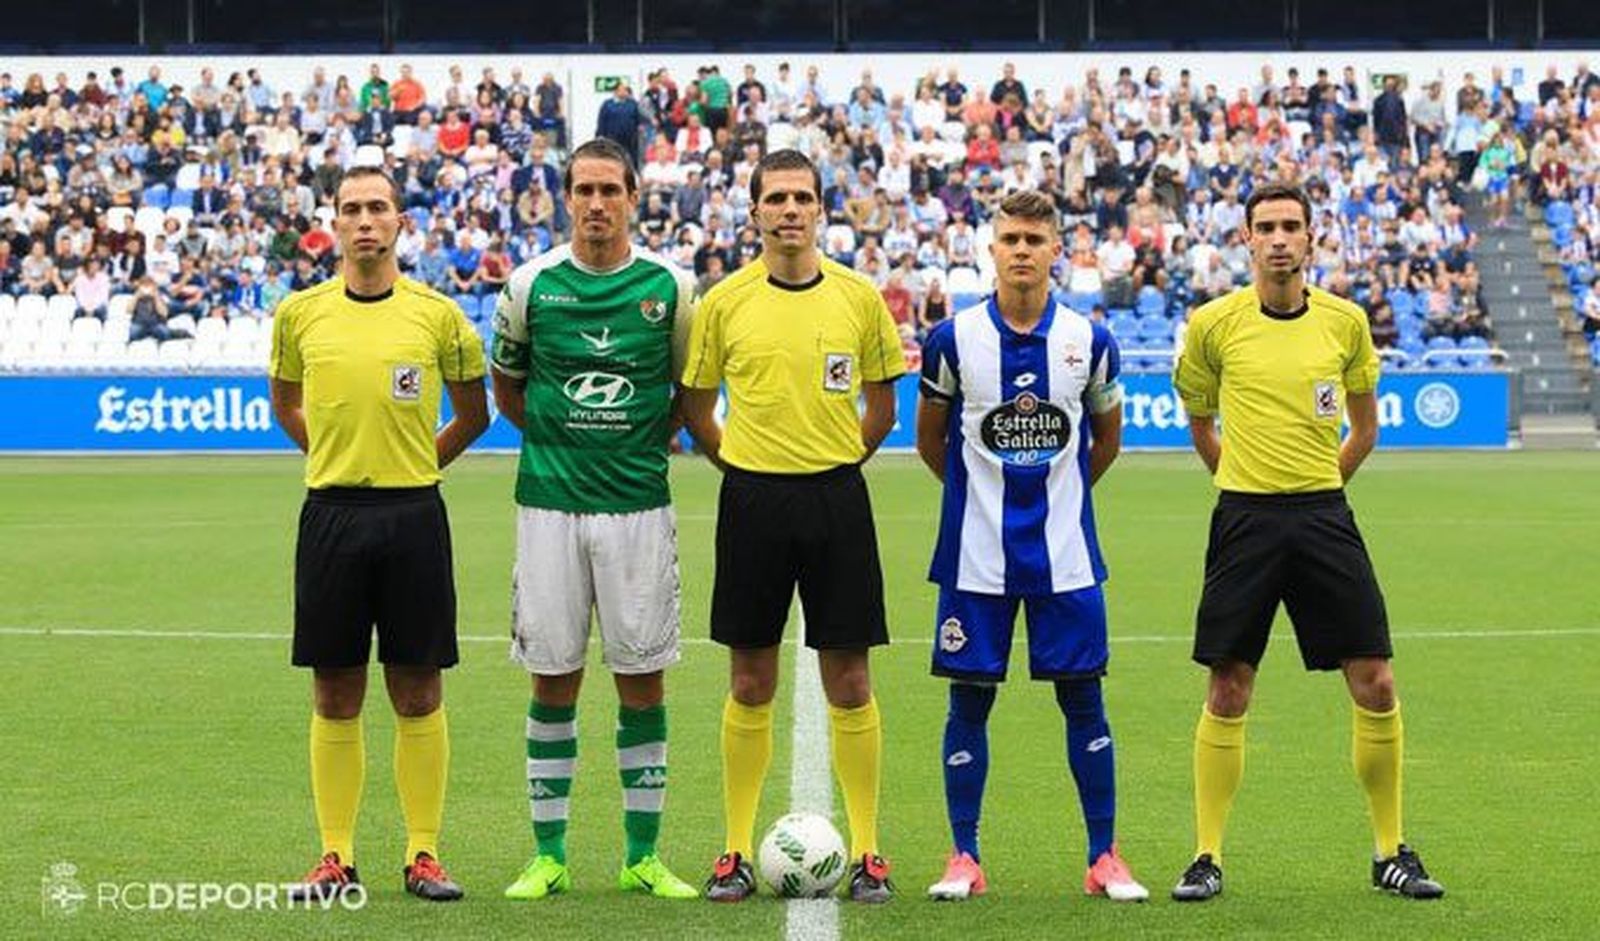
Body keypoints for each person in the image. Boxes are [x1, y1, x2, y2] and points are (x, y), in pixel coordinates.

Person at [1169, 182, 1445, 902]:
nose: (1281, 238)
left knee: (1377, 678)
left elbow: (1366, 426)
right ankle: (1206, 856)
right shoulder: (1213, 324)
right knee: (1228, 686)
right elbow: (1200, 421)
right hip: (1245, 517)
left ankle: (1390, 850)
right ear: (1248, 239)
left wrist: (1324, 482)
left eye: (1293, 225)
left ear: (1313, 238)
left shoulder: (1345, 322)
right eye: (1268, 227)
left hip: (1324, 515)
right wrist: (1238, 480)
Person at [680, 149, 904, 904]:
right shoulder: (724, 302)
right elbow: (696, 406)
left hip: (837, 500)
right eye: (774, 198)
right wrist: (740, 462)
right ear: (753, 213)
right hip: (752, 502)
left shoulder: (859, 297)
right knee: (750, 677)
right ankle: (735, 849)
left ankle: (870, 850)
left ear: (820, 209)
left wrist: (841, 459)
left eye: (801, 197)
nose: (788, 210)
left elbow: (883, 405)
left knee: (849, 677)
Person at [915, 190, 1146, 903]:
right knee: (969, 699)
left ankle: (1103, 855)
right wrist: (973, 501)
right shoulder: (953, 339)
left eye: (1033, 239)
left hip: (1066, 556)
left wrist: (1062, 497)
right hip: (975, 556)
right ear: (992, 247)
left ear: (1056, 250)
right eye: (1009, 238)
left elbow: (1104, 439)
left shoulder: (1089, 340)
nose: (1020, 250)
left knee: (1084, 698)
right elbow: (931, 439)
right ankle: (964, 854)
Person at [268, 166, 489, 904]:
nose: (365, 221)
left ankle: (423, 852)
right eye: (351, 209)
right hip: (330, 514)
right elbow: (287, 402)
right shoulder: (300, 314)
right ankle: (335, 855)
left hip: (414, 516)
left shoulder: (438, 315)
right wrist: (336, 456)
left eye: (378, 208)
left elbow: (474, 413)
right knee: (334, 689)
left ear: (400, 222)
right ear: (334, 223)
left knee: (418, 688)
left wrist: (414, 463)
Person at [491, 137, 699, 903]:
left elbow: (686, 390)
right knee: (554, 678)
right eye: (584, 189)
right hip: (547, 506)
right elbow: (509, 387)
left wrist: (636, 438)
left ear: (635, 195)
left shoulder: (670, 289)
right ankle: (549, 855)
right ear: (564, 195)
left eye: (611, 189)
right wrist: (562, 437)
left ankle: (642, 855)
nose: (597, 204)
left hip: (638, 505)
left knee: (642, 679)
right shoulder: (530, 285)